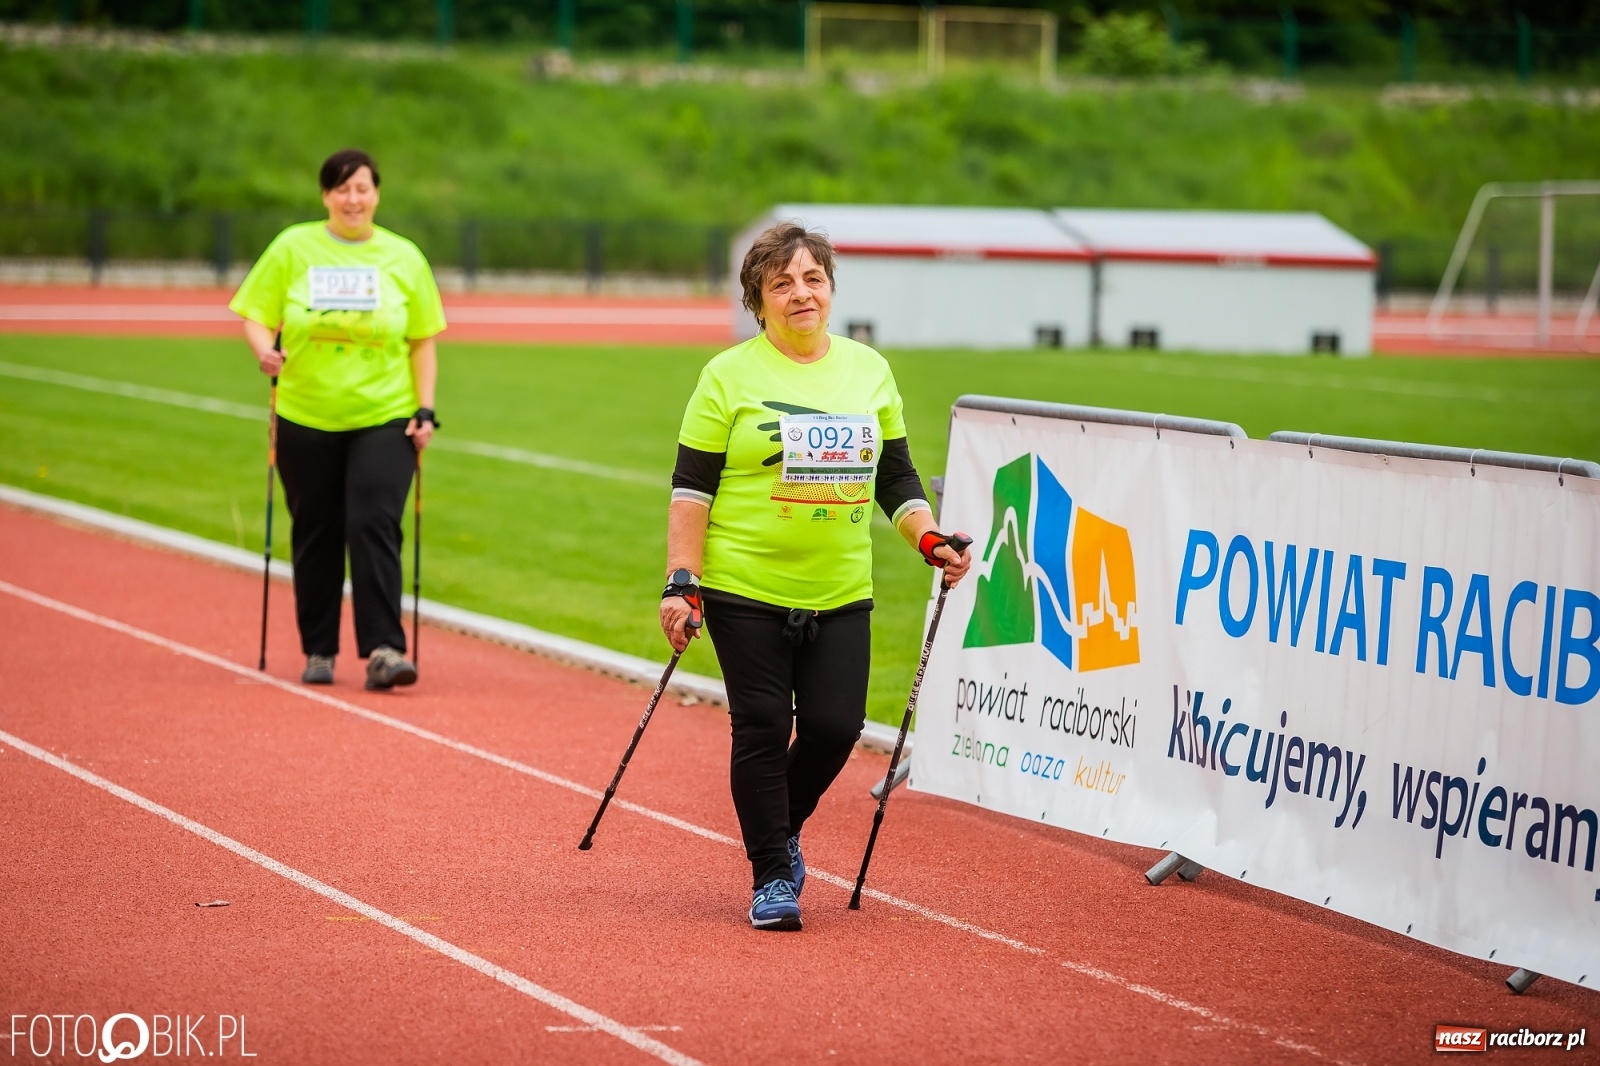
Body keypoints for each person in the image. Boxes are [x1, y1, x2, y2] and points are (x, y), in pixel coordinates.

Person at [660, 222, 971, 931]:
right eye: (783, 283)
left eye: (814, 279)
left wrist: (928, 539)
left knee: (835, 727)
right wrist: (683, 580)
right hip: (745, 586)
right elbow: (691, 491)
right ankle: (771, 874)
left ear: (830, 290)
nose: (802, 293)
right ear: (758, 302)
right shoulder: (727, 377)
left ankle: (780, 827)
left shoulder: (868, 370)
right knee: (762, 726)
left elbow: (896, 478)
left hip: (839, 588)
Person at [230, 148, 445, 691]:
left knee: (373, 522)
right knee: (317, 529)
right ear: (326, 194)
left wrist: (425, 409)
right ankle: (319, 649)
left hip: (385, 414)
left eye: (363, 188)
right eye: (342, 189)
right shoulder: (293, 247)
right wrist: (264, 352)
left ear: (377, 194)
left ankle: (384, 649)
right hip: (305, 412)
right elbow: (256, 314)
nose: (353, 199)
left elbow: (422, 342)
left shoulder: (404, 257)